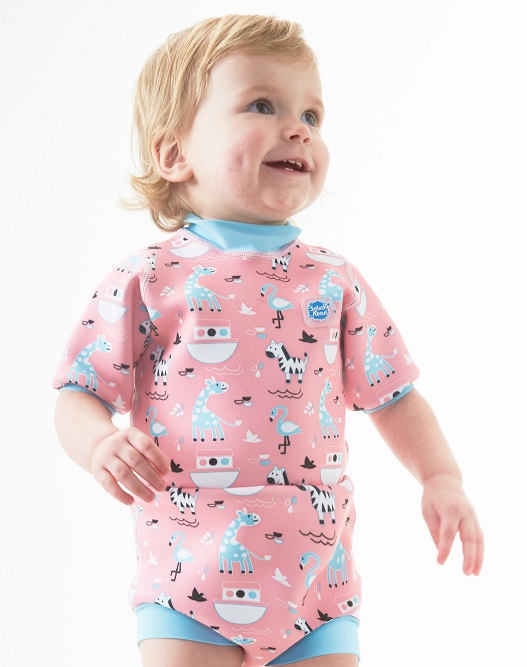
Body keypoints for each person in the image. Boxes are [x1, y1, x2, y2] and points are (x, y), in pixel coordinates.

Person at [53, 14, 484, 667]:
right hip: (187, 580)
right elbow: (78, 392)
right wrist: (99, 444)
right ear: (174, 154)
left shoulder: (334, 279)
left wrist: (440, 476)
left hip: (318, 588)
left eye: (311, 114)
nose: (299, 128)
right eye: (262, 105)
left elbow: (394, 393)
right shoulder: (150, 277)